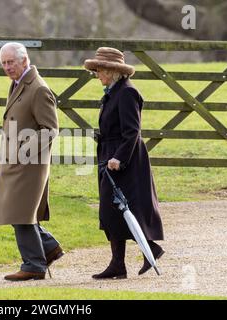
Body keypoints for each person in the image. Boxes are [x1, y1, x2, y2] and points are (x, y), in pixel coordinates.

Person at [0, 42, 64, 281]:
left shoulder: (38, 89)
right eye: (4, 63)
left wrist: (22, 150)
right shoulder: (18, 84)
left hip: (29, 165)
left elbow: (50, 129)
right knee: (16, 211)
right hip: (15, 163)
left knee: (20, 213)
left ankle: (33, 265)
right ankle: (49, 248)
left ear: (24, 60)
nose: (7, 67)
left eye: (11, 62)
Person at [84, 47, 164, 279]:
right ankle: (120, 263)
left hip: (125, 159)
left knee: (126, 208)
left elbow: (132, 132)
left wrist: (119, 158)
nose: (97, 74)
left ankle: (147, 249)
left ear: (111, 71)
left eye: (99, 69)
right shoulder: (112, 91)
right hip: (109, 154)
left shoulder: (127, 92)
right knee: (112, 210)